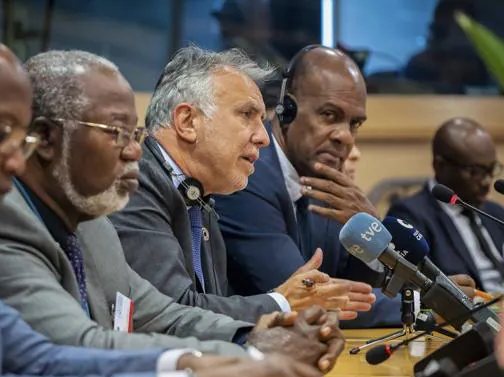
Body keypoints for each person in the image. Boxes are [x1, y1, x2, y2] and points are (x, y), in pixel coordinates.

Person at [0, 25, 327, 377]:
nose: (16, 158)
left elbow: (36, 353)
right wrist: (203, 372)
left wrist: (242, 351)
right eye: (3, 132)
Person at [213, 46, 476, 327]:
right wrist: (426, 305)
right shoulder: (248, 176)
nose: (345, 137)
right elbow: (310, 300)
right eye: (329, 115)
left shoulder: (325, 183)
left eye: (355, 123)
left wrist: (373, 234)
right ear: (286, 110)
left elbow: (354, 287)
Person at [109, 45, 370, 327]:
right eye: (247, 115)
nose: (264, 138)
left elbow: (208, 309)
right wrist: (281, 302)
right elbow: (170, 313)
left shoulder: (198, 197)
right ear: (187, 121)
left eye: (261, 119)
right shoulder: (136, 184)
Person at [388, 117, 503, 293]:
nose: (487, 181)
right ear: (440, 166)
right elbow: (408, 288)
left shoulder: (495, 213)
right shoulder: (409, 215)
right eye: (475, 172)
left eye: (491, 170)